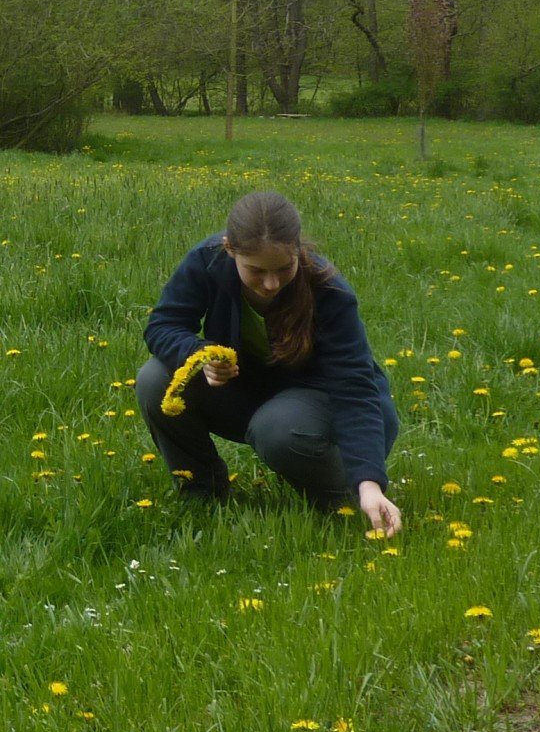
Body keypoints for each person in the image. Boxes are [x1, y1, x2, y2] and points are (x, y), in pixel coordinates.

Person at [138, 191, 403, 537]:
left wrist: (368, 482)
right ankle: (202, 494)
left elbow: (353, 389)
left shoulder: (330, 291)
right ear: (230, 248)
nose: (271, 284)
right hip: (252, 392)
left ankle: (346, 500)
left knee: (275, 427)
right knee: (154, 379)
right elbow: (163, 325)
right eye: (256, 271)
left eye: (283, 268)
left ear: (298, 250)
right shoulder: (206, 261)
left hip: (316, 401)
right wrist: (198, 354)